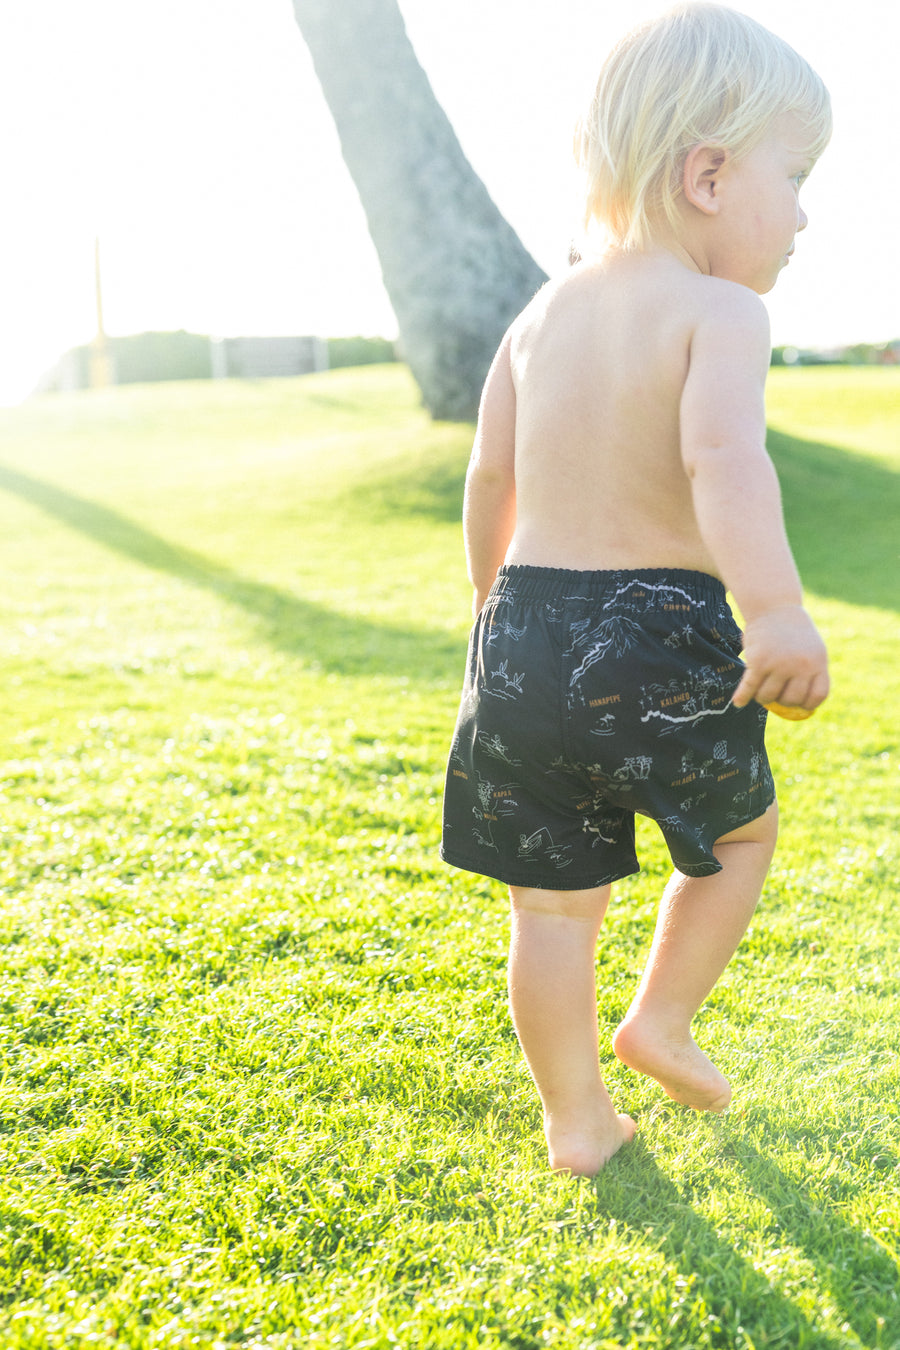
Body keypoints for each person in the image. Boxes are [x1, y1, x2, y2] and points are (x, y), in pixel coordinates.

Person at [440, 2, 831, 1176]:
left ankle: (576, 1121)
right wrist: (774, 611)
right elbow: (724, 463)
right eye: (798, 175)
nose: (808, 213)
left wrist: (490, 616)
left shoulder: (538, 314)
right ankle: (660, 1019)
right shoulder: (723, 310)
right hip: (656, 626)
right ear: (709, 174)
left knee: (552, 910)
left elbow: (490, 476)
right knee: (740, 837)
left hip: (520, 629)